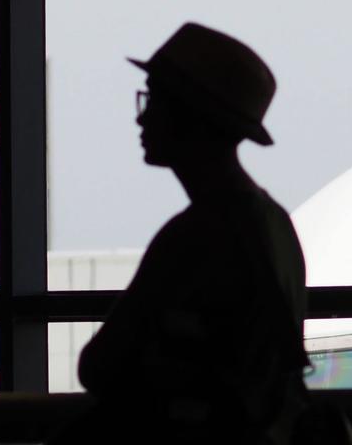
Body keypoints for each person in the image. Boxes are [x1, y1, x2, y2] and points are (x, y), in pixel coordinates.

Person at [64, 22, 309, 444]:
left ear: (193, 116)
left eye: (154, 100)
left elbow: (100, 366)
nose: (141, 117)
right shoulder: (274, 225)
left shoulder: (195, 236)